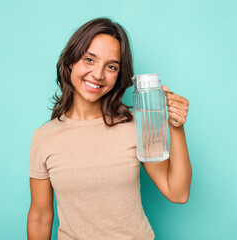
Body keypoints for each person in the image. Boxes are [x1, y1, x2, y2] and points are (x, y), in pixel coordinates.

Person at [27, 17, 192, 240]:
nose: (98, 74)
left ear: (119, 75)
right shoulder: (44, 138)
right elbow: (40, 216)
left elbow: (178, 192)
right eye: (89, 59)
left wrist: (177, 128)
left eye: (111, 66)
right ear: (70, 62)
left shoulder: (137, 123)